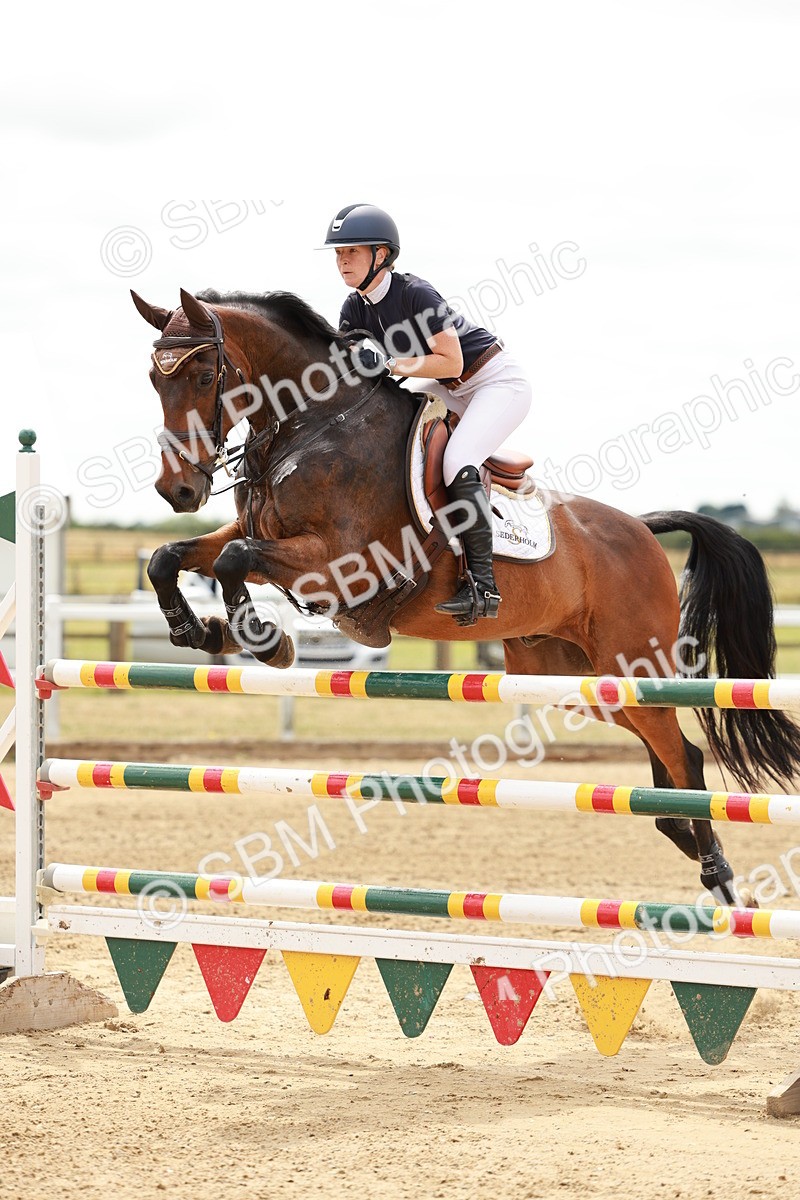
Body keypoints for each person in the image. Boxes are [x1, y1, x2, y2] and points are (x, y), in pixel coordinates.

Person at [322, 203, 532, 622]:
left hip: (494, 381)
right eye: (338, 253)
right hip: (450, 386)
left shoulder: (416, 293)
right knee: (391, 430)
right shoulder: (353, 309)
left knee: (457, 460)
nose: (343, 260)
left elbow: (451, 363)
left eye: (352, 251)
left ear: (381, 255)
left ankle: (483, 587)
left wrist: (387, 363)